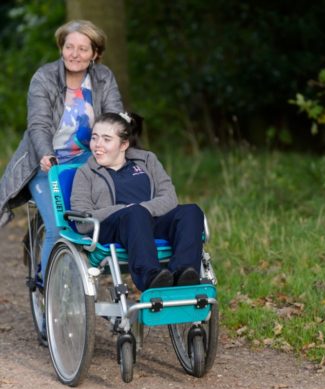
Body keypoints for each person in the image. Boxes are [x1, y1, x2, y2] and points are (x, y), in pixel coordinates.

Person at [0, 20, 123, 282]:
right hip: (47, 164)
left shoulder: (103, 77)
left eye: (83, 49)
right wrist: (46, 153)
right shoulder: (44, 78)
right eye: (69, 47)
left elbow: (114, 117)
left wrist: (121, 139)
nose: (75, 55)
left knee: (102, 219)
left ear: (95, 54)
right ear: (61, 48)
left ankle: (93, 277)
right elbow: (39, 124)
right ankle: (49, 291)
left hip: (88, 161)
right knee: (58, 228)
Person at [70, 112, 203, 291]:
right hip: (113, 228)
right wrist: (124, 210)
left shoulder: (147, 160)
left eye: (106, 139)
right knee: (135, 214)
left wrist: (142, 209)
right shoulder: (86, 173)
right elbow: (81, 221)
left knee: (191, 211)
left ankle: (184, 274)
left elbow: (169, 198)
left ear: (124, 144)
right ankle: (151, 277)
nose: (97, 145)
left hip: (151, 221)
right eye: (94, 138)